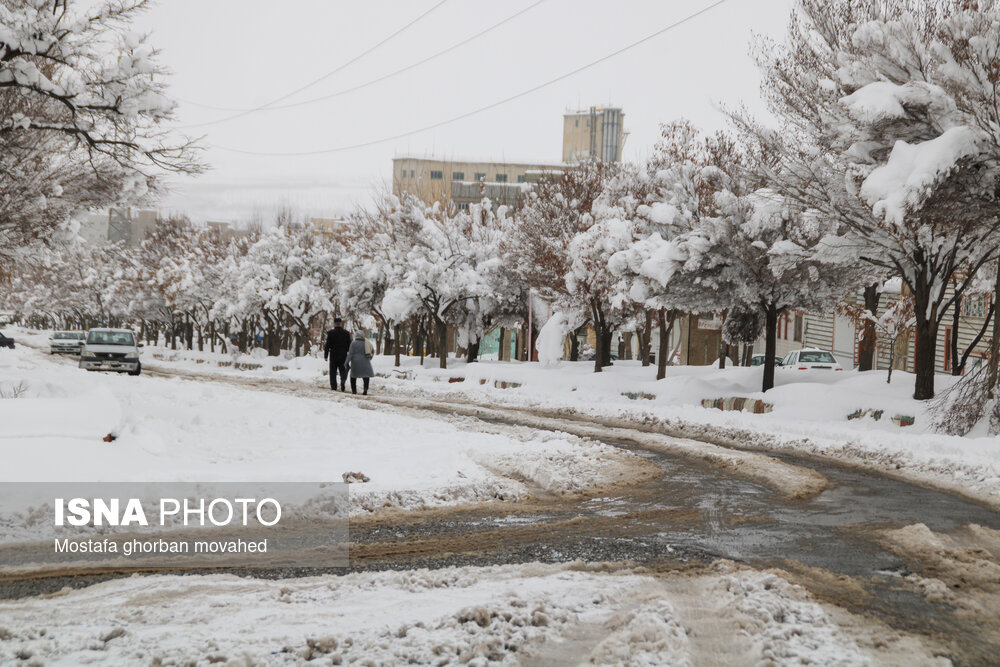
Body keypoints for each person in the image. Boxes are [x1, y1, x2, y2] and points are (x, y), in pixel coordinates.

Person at [323, 318, 352, 391]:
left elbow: (327, 345)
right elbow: (350, 345)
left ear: (335, 324)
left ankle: (333, 386)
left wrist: (326, 355)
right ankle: (343, 381)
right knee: (343, 370)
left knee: (333, 371)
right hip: (343, 355)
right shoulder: (346, 333)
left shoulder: (330, 333)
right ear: (341, 324)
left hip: (333, 355)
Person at [345, 329, 374, 395]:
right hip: (365, 362)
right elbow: (372, 351)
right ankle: (365, 389)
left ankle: (354, 391)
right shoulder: (367, 343)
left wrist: (346, 362)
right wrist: (370, 357)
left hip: (355, 363)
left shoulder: (353, 343)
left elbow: (350, 354)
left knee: (353, 377)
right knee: (366, 376)